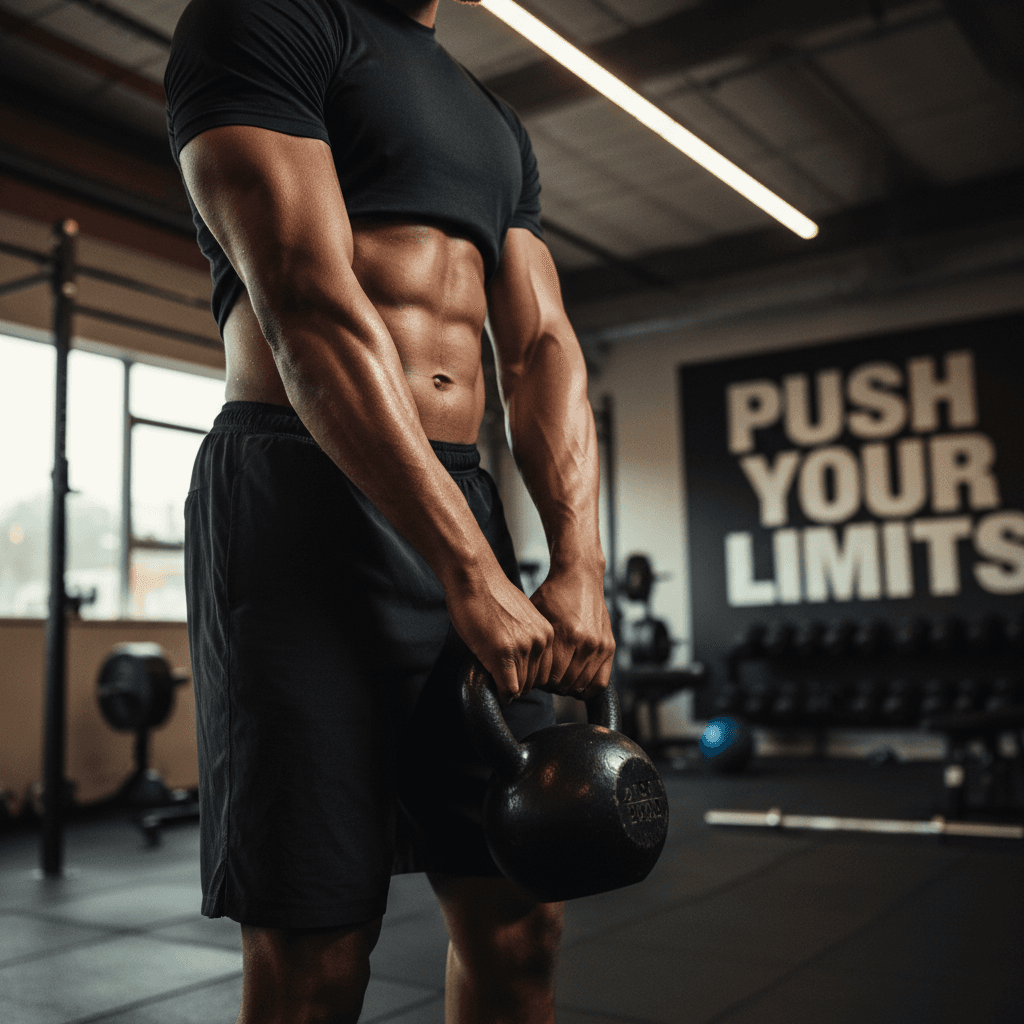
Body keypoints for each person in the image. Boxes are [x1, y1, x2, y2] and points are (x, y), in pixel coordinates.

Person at [165, 0, 614, 1020]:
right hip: (298, 498)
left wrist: (577, 560)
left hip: (463, 491)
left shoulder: (492, 119)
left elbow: (542, 346)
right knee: (315, 943)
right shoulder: (263, 20)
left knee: (523, 900)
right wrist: (469, 571)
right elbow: (306, 304)